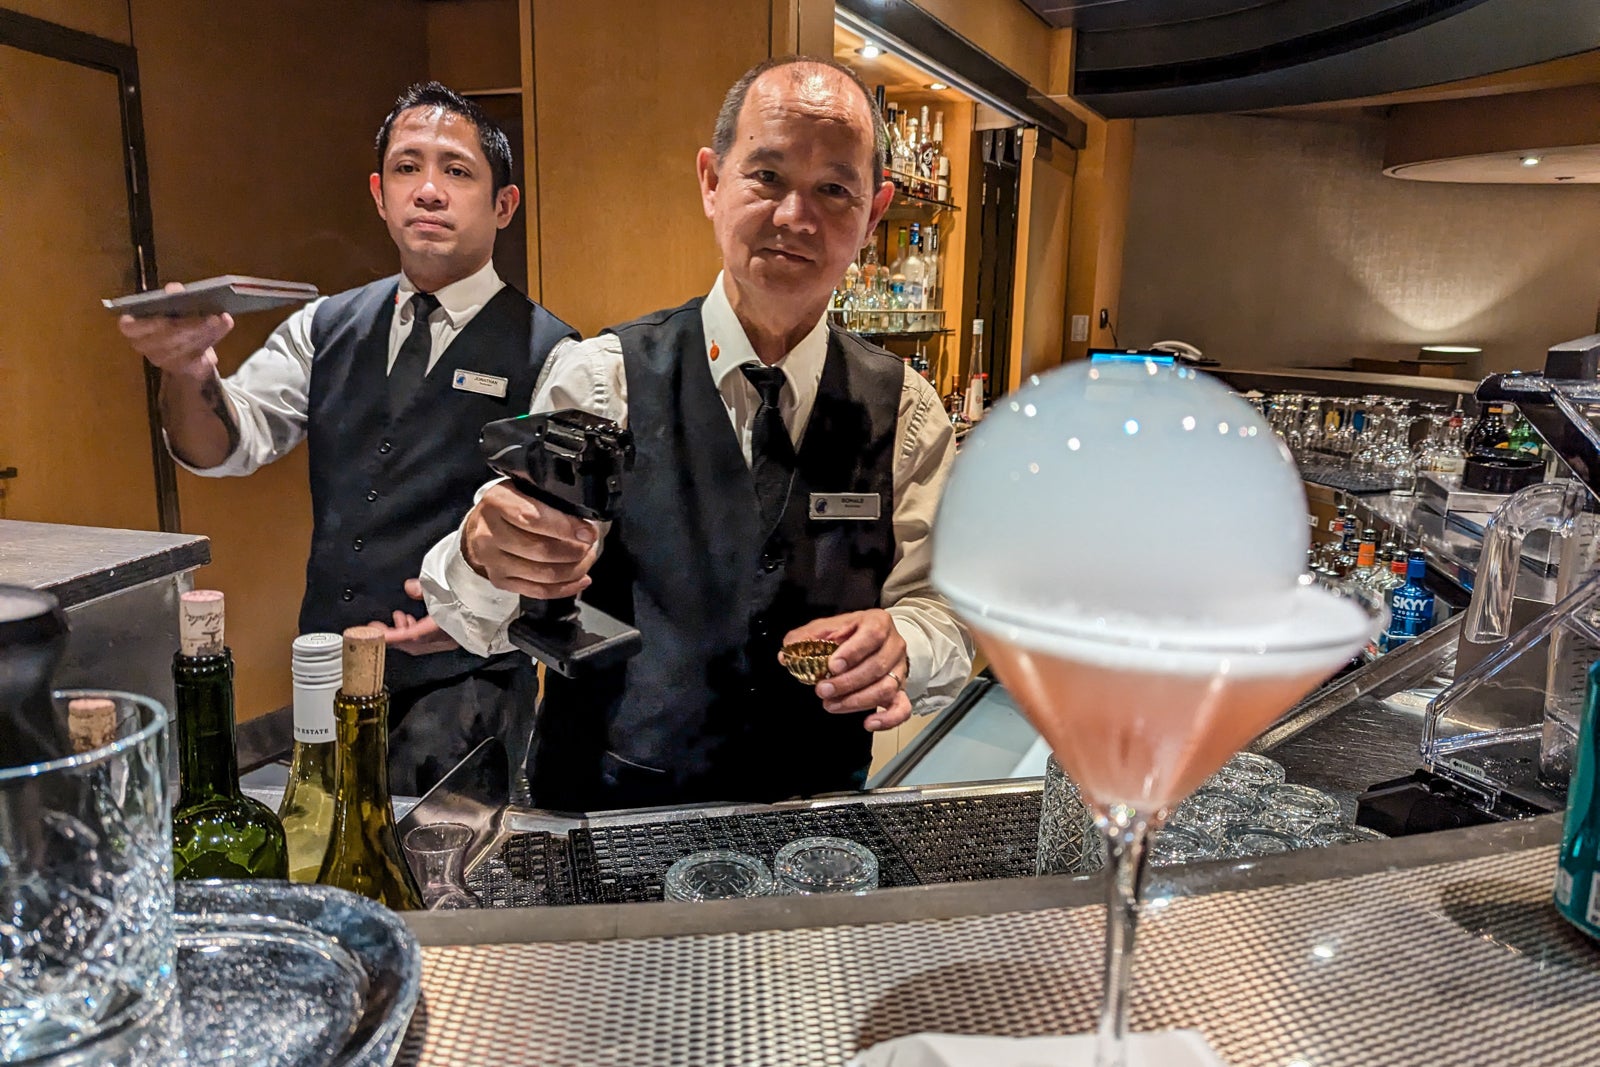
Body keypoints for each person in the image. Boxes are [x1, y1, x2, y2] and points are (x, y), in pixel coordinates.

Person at [421, 55, 973, 812]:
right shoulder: (600, 377)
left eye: (834, 190)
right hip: (608, 819)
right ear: (712, 182)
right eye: (768, 177)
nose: (795, 218)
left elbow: (945, 611)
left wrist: (905, 641)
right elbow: (480, 619)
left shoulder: (906, 411)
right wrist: (486, 554)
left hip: (810, 832)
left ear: (873, 215)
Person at [119, 82, 579, 796]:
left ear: (503, 205)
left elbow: (564, 540)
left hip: (464, 683)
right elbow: (223, 446)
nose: (428, 190)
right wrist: (187, 371)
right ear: (378, 192)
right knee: (326, 860)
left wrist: (482, 612)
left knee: (446, 887)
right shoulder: (325, 326)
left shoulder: (555, 354)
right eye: (407, 167)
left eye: (456, 171)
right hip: (328, 669)